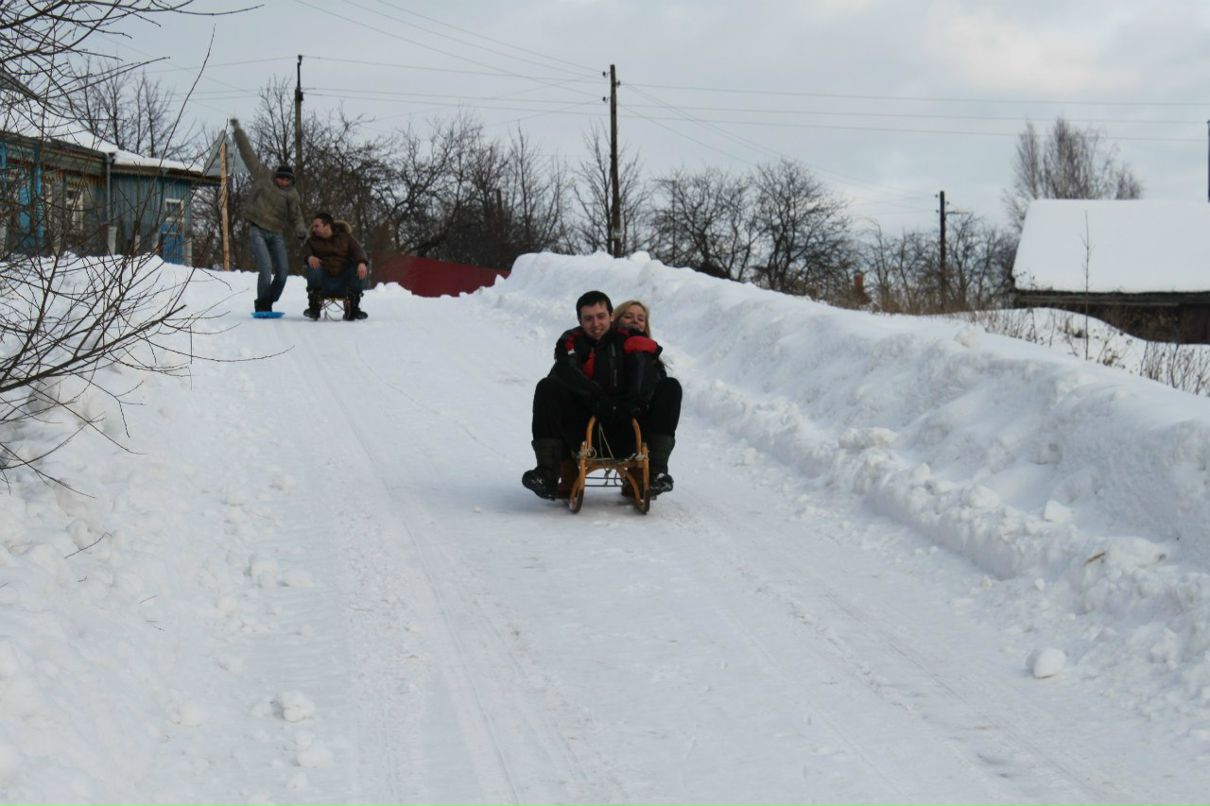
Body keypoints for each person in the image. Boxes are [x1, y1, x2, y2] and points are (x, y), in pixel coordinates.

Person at [522, 290, 680, 501]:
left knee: (670, 386)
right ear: (580, 320)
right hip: (585, 431)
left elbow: (645, 373)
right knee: (548, 387)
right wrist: (596, 397)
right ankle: (548, 473)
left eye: (601, 316)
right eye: (588, 318)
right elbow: (566, 371)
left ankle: (655, 473)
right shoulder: (572, 342)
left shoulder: (630, 341)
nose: (596, 323)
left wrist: (632, 403)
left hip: (629, 427)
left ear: (611, 316)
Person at [229, 118, 308, 314]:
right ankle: (263, 304)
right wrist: (238, 132)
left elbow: (296, 217)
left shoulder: (292, 194)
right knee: (265, 269)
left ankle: (268, 300)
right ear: (276, 176)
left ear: (291, 181)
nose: (282, 181)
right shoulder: (264, 176)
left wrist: (301, 231)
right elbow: (249, 155)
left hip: (276, 234)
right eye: (281, 178)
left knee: (282, 273)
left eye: (286, 180)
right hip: (258, 230)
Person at [612, 299, 681, 494]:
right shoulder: (608, 348)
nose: (635, 321)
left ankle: (656, 471)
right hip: (612, 421)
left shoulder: (652, 356)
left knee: (671, 387)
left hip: (644, 428)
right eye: (628, 316)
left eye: (640, 318)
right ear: (616, 320)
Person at [300, 212, 369, 321]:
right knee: (313, 265)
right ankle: (314, 307)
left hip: (344, 282)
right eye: (313, 226)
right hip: (323, 282)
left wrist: (361, 263)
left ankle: (353, 307)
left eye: (317, 226)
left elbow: (359, 251)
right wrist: (309, 258)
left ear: (327, 226)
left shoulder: (346, 238)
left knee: (359, 266)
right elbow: (305, 253)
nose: (314, 229)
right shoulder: (311, 241)